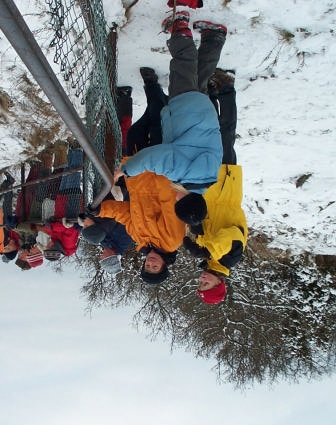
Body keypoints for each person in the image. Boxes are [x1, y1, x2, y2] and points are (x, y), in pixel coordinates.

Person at [117, 11, 227, 194]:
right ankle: (179, 28)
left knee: (199, 77)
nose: (174, 199)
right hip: (185, 110)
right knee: (183, 65)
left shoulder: (209, 175)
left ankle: (213, 38)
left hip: (204, 113)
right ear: (183, 199)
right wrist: (125, 170)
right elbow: (151, 158)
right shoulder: (181, 172)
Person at [175, 65, 247, 305]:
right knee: (225, 133)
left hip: (210, 189)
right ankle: (227, 87)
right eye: (207, 283)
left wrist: (195, 228)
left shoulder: (211, 258)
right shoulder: (229, 259)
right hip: (225, 185)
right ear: (219, 284)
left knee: (209, 135)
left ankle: (212, 94)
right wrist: (206, 251)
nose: (202, 279)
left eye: (200, 283)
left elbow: (206, 227)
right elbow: (233, 235)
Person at [90, 171, 185, 284]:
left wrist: (101, 210)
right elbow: (170, 200)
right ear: (164, 265)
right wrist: (159, 169)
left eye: (147, 266)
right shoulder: (172, 240)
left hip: (134, 175)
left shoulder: (140, 240)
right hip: (155, 169)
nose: (151, 263)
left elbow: (126, 214)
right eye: (155, 267)